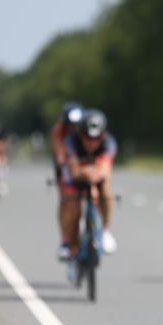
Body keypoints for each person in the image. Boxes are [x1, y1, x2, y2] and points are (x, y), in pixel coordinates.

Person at [60, 109, 118, 282]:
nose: (91, 143)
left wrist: (96, 173)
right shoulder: (71, 141)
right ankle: (70, 247)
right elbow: (73, 168)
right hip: (76, 175)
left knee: (106, 191)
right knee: (70, 204)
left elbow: (106, 168)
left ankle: (106, 230)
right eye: (87, 137)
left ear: (102, 136)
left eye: (96, 139)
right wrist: (83, 172)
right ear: (80, 133)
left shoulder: (109, 143)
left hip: (97, 173)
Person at [52, 103, 85, 260]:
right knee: (67, 201)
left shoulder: (86, 130)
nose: (74, 128)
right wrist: (63, 159)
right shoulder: (58, 131)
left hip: (83, 162)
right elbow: (59, 152)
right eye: (70, 125)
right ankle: (65, 240)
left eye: (76, 125)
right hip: (65, 164)